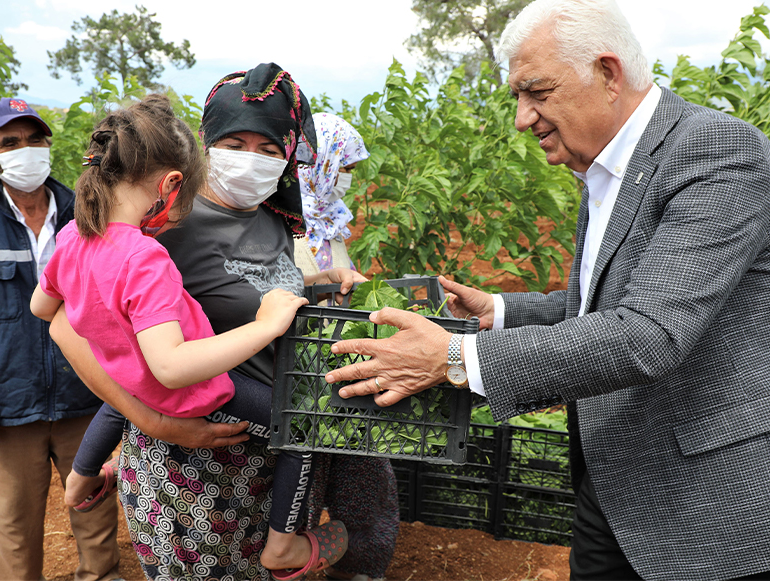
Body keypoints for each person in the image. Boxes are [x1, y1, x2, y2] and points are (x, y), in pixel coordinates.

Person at [324, 1, 770, 580]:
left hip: (700, 502)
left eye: (537, 91)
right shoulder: (605, 165)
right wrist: (501, 311)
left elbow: (650, 333)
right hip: (608, 483)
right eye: (517, 96)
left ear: (608, 74)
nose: (521, 117)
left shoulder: (715, 153)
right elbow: (602, 305)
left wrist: (455, 358)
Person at [48, 64, 365, 581]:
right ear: (207, 142)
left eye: (269, 150)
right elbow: (74, 323)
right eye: (236, 142)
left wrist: (318, 283)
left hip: (271, 458)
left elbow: (249, 298)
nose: (253, 161)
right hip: (192, 470)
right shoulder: (164, 218)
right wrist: (153, 421)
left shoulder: (271, 214)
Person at [0, 97, 121, 581]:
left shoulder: (81, 212)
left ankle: (101, 575)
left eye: (34, 140)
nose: (25, 150)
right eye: (10, 142)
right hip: (11, 401)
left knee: (92, 503)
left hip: (83, 391)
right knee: (13, 520)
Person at [295, 112, 399, 581]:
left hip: (342, 379)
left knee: (366, 481)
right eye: (345, 166)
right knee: (299, 487)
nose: (348, 179)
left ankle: (359, 564)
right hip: (295, 389)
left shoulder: (330, 222)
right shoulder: (284, 220)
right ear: (319, 160)